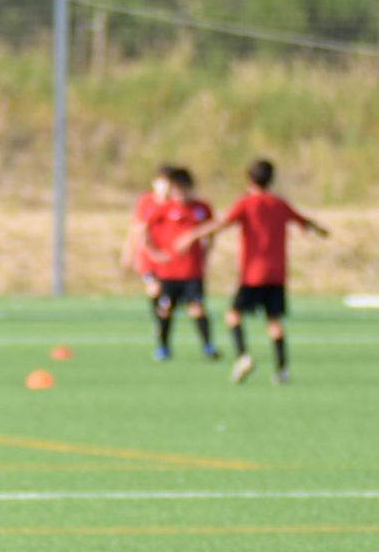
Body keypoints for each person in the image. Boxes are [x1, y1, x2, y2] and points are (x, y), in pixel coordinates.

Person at [176, 159, 329, 384]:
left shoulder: (246, 203)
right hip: (277, 274)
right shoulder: (279, 204)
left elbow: (222, 223)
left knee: (233, 314)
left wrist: (192, 235)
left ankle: (243, 356)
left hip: (253, 273)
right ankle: (282, 370)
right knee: (274, 321)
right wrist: (318, 229)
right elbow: (303, 221)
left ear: (248, 179)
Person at [141, 168, 219, 361]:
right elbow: (144, 231)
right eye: (176, 189)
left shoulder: (201, 207)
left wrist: (204, 248)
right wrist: (155, 254)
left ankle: (208, 346)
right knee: (165, 309)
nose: (180, 194)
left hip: (192, 271)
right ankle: (163, 347)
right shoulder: (164, 208)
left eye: (184, 189)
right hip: (168, 272)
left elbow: (214, 227)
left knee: (197, 308)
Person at [120, 165, 174, 311]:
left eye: (168, 182)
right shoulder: (146, 201)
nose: (165, 186)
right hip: (148, 257)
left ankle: (162, 321)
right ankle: (159, 320)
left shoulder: (176, 204)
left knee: (167, 296)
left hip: (168, 256)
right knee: (154, 288)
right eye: (161, 182)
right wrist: (128, 253)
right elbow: (135, 229)